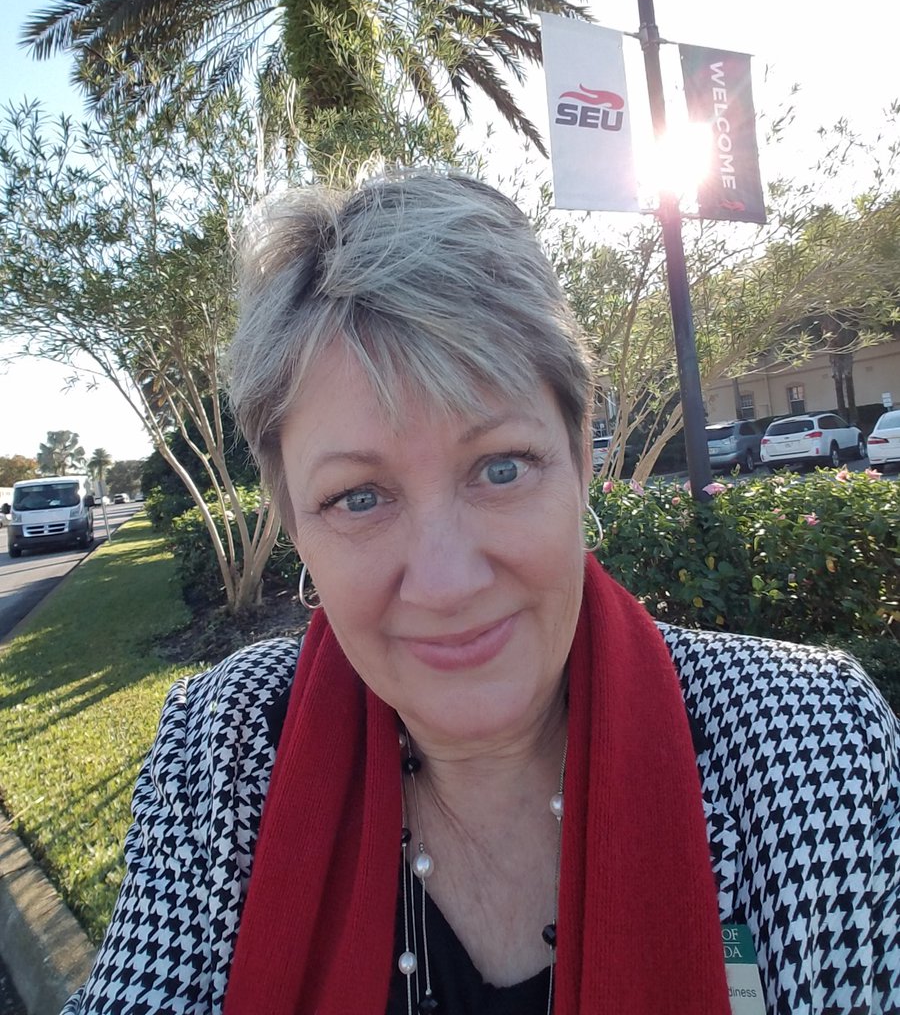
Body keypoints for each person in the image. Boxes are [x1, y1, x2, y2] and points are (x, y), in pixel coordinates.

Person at [62, 174, 898, 1015]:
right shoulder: (224, 755)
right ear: (295, 524)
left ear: (576, 461)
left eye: (500, 468)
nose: (447, 582)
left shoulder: (811, 742)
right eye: (360, 497)